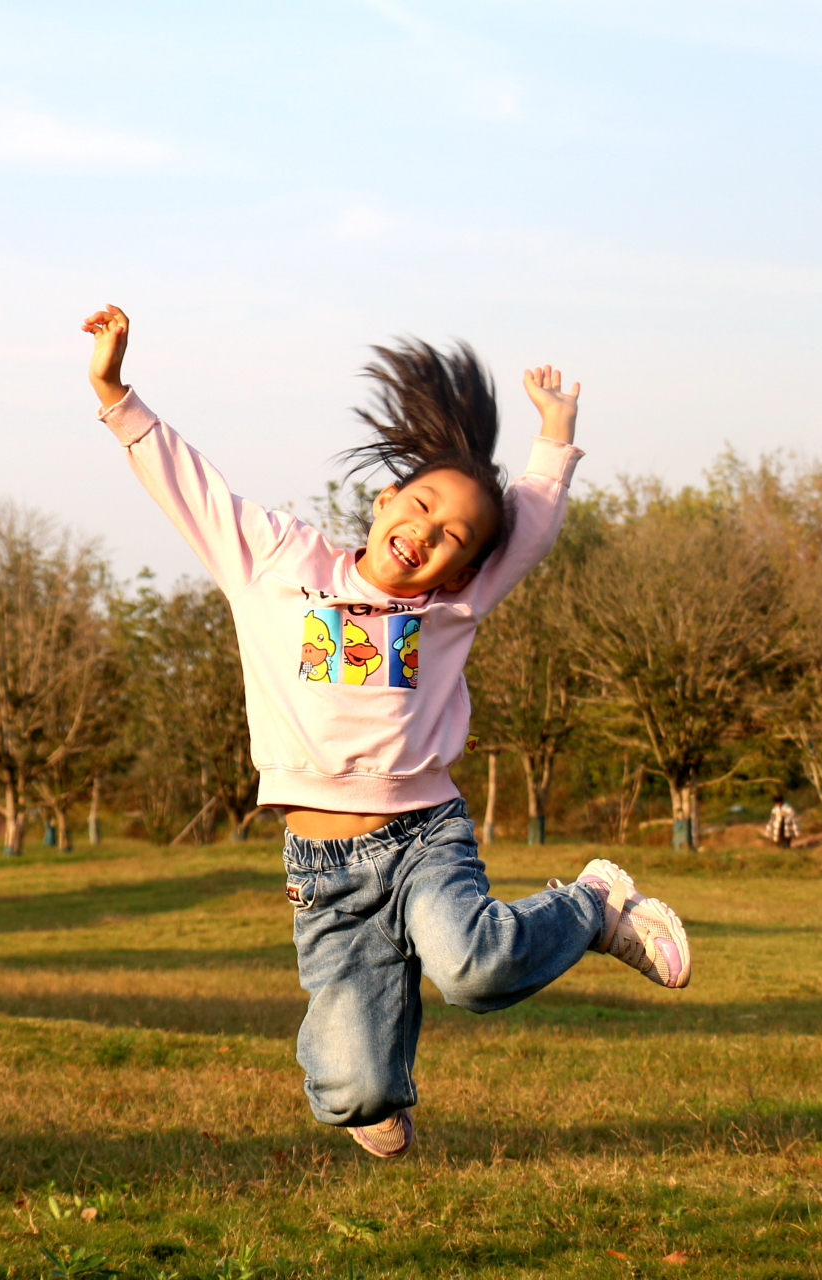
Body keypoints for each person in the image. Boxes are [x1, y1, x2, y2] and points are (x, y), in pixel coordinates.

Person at [82, 305, 692, 1160]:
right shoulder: (277, 563)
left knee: (475, 970)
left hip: (422, 836)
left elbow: (533, 525)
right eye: (422, 506)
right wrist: (115, 393)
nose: (429, 533)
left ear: (469, 568)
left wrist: (555, 438)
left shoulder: (452, 608)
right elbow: (191, 485)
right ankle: (374, 1080)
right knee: (351, 1096)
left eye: (456, 537)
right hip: (322, 869)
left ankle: (590, 907)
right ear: (382, 501)